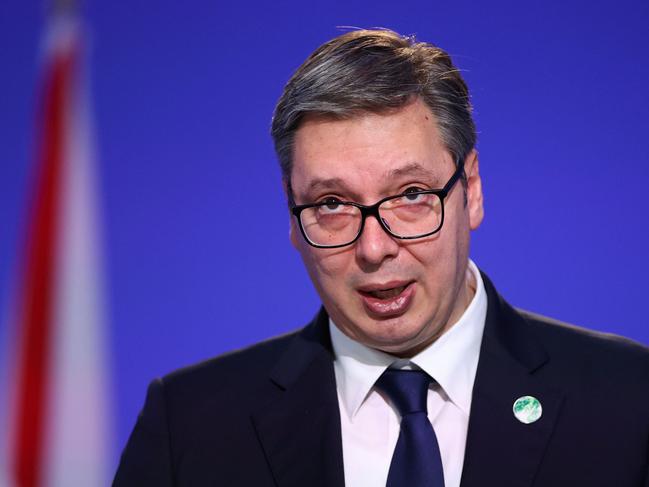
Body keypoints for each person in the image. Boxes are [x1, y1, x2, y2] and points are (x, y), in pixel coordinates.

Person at [113, 29, 649, 487]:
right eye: (332, 204)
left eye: (412, 194)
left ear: (473, 190)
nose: (374, 248)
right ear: (291, 215)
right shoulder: (189, 427)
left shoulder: (628, 400)